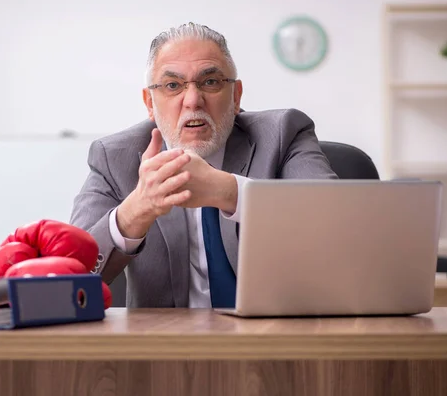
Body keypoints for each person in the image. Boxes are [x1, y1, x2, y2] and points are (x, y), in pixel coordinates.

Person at [69, 22, 338, 308]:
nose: (193, 100)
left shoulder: (284, 133)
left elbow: (337, 224)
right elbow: (71, 275)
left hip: (272, 336)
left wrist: (230, 192)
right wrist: (136, 210)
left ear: (236, 96)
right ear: (150, 102)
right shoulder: (114, 157)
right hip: (166, 343)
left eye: (210, 82)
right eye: (173, 85)